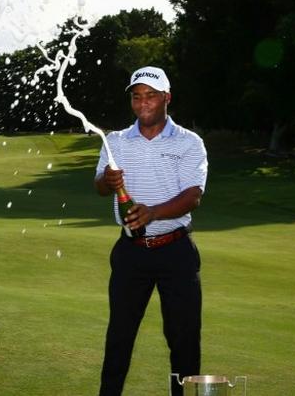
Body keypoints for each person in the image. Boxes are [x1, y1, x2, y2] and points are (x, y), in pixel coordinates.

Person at [94, 66, 208, 396]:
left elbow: (193, 196)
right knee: (119, 337)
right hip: (130, 253)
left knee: (184, 340)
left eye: (151, 96)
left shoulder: (189, 142)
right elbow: (100, 185)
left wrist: (153, 213)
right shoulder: (114, 141)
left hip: (176, 252)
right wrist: (107, 181)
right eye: (137, 96)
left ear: (166, 98)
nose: (143, 102)